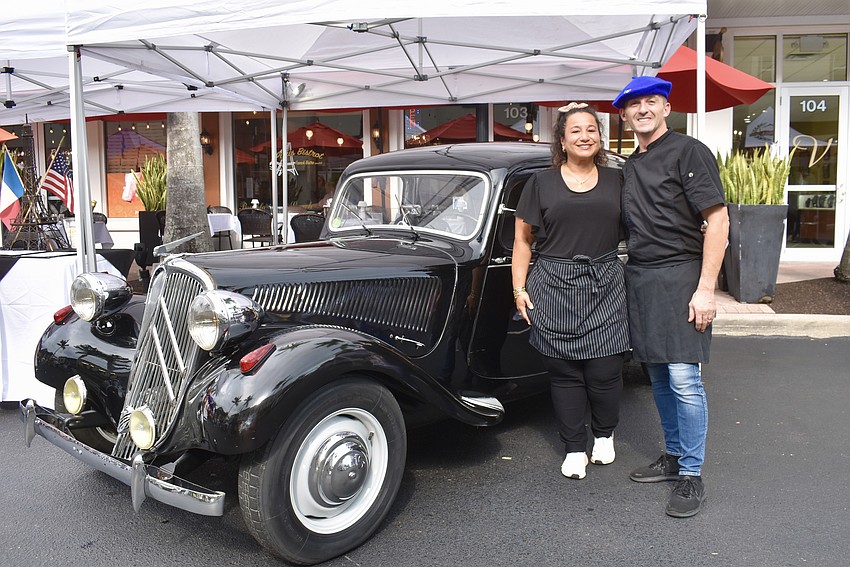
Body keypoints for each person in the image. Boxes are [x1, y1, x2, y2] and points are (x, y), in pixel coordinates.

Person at [613, 76, 730, 518]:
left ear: (665, 107)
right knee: (659, 376)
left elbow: (717, 222)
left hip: (683, 276)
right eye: (633, 104)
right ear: (624, 115)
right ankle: (675, 457)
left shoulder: (688, 150)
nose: (642, 109)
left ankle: (692, 475)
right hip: (641, 277)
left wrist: (705, 288)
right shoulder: (630, 166)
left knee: (684, 378)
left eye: (651, 102)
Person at [512, 103, 630, 480]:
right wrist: (519, 289)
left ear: (600, 137)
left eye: (591, 130)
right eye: (576, 130)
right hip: (553, 284)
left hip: (605, 281)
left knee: (605, 371)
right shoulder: (541, 183)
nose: (585, 136)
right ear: (562, 141)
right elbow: (522, 241)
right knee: (564, 374)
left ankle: (604, 434)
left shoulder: (618, 181)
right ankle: (574, 447)